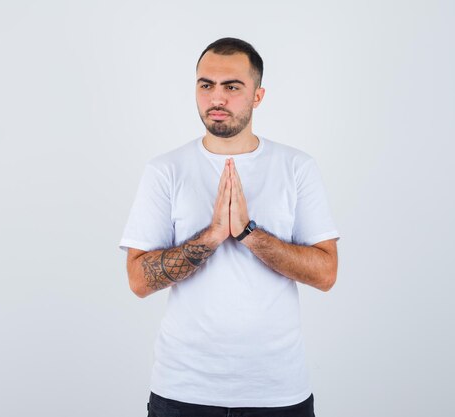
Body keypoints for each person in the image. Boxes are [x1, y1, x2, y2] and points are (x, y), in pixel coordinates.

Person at [119, 37, 340, 417]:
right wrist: (212, 236)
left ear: (258, 95)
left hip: (277, 392)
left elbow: (325, 274)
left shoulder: (296, 167)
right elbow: (139, 281)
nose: (216, 98)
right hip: (182, 391)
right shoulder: (165, 170)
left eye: (232, 87)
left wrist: (249, 235)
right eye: (206, 85)